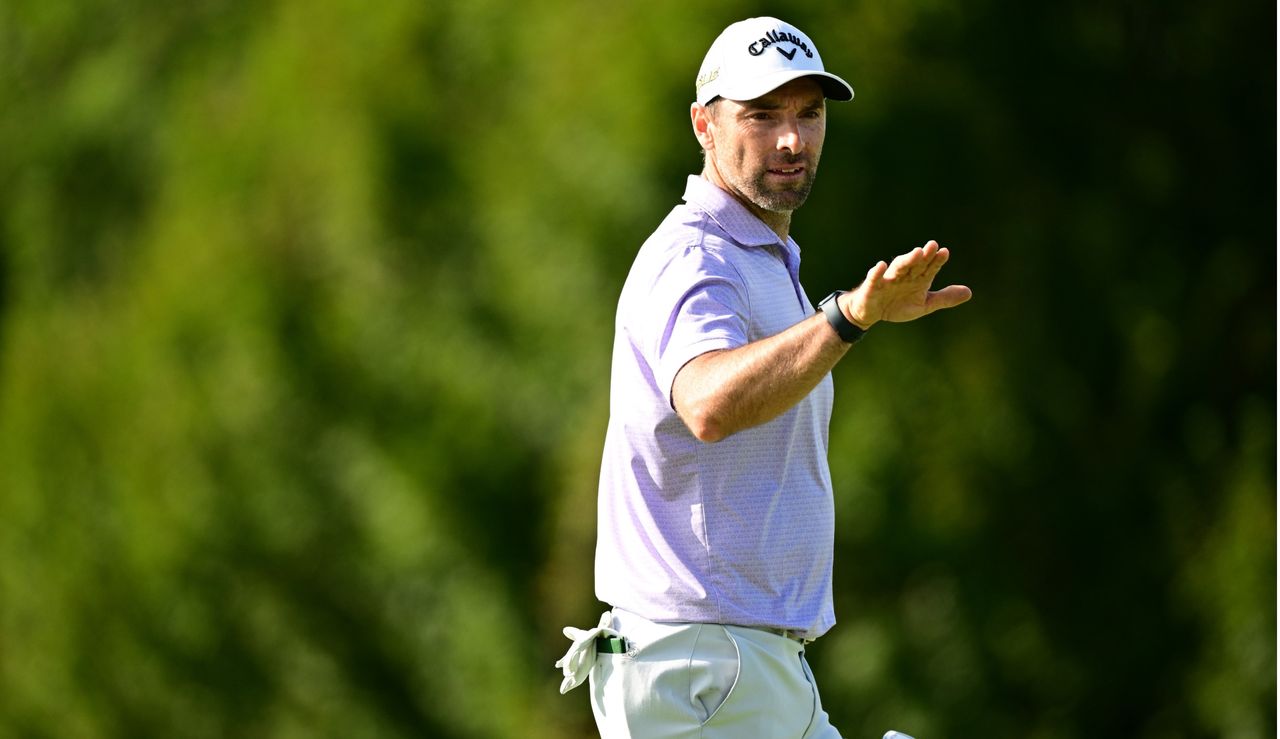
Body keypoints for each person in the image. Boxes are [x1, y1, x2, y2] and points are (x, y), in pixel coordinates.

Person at [556, 16, 971, 738]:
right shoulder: (696, 257)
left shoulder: (762, 259)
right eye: (762, 114)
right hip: (703, 666)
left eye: (808, 114)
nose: (792, 139)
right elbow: (709, 402)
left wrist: (844, 318)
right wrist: (846, 319)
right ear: (704, 126)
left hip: (734, 665)